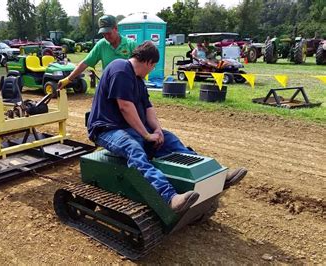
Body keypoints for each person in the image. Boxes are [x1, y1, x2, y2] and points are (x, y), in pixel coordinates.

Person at [87, 41, 248, 213]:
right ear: (149, 62)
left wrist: (157, 130)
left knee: (169, 140)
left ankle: (215, 176)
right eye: (153, 66)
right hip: (106, 129)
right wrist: (147, 136)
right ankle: (169, 197)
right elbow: (125, 106)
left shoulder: (139, 81)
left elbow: (148, 108)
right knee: (134, 149)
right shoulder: (120, 69)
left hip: (129, 129)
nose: (151, 70)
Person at [58, 15, 137, 90]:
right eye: (103, 34)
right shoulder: (101, 45)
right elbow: (85, 63)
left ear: (116, 29)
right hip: (108, 87)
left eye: (108, 33)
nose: (106, 37)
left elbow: (139, 67)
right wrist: (68, 79)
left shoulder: (130, 44)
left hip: (127, 87)